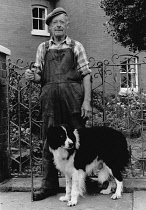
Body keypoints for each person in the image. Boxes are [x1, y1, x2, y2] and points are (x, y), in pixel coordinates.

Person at [25, 7, 92, 201]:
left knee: (78, 141)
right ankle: (49, 186)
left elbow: (86, 74)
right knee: (50, 142)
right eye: (55, 23)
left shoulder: (76, 46)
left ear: (67, 24)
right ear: (49, 28)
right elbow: (38, 76)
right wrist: (32, 75)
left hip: (73, 99)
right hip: (50, 101)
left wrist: (86, 101)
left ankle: (83, 182)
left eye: (62, 21)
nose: (59, 25)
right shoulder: (43, 48)